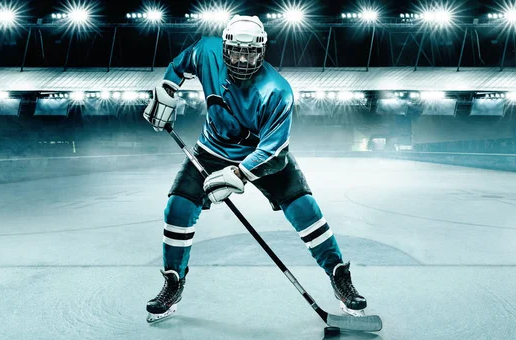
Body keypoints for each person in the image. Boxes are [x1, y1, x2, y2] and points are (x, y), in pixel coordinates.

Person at [143, 15, 366, 323]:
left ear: (262, 52)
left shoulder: (277, 90)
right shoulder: (206, 51)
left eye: (251, 53)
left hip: (262, 157)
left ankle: (339, 275)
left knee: (306, 209)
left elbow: (273, 153)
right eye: (236, 51)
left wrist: (238, 175)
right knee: (177, 209)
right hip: (211, 151)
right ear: (224, 49)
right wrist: (168, 88)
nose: (243, 60)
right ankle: (173, 283)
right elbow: (181, 64)